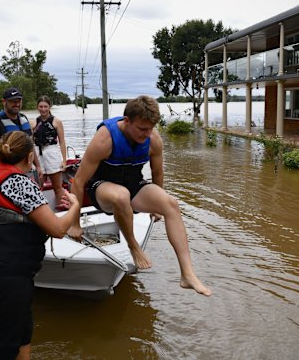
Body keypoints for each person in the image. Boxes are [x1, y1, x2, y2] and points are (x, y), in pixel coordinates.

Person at [68, 95, 212, 296]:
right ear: (127, 121)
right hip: (101, 188)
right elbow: (79, 182)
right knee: (121, 196)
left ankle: (187, 274)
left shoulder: (153, 139)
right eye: (142, 129)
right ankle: (134, 247)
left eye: (151, 128)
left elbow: (158, 173)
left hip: (133, 184)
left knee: (170, 203)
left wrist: (156, 208)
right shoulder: (105, 138)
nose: (147, 134)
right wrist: (75, 223)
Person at [0, 131, 79, 360]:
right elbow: (58, 229)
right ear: (30, 156)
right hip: (7, 275)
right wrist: (75, 205)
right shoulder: (18, 183)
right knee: (6, 347)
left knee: (22, 333)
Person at [0, 87, 43, 181]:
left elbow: (30, 146)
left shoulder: (24, 118)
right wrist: (6, 175)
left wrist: (38, 166)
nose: (17, 104)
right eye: (13, 101)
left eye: (19, 101)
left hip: (28, 169)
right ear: (4, 102)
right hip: (9, 173)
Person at [32, 95, 67, 208]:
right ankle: (39, 212)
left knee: (57, 186)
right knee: (38, 186)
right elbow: (30, 143)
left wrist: (64, 160)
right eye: (41, 107)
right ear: (37, 107)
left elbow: (62, 142)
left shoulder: (56, 121)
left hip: (51, 151)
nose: (43, 109)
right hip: (38, 152)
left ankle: (62, 208)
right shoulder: (33, 123)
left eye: (45, 106)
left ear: (49, 107)